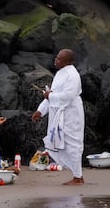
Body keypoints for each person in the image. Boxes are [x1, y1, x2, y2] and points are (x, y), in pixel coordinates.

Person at [31, 49, 85, 185]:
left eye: (59, 59)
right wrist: (40, 111)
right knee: (59, 141)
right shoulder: (60, 73)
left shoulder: (73, 75)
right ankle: (75, 175)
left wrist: (50, 96)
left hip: (71, 114)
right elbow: (52, 94)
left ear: (67, 62)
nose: (56, 60)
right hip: (59, 115)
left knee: (73, 143)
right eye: (56, 58)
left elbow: (68, 95)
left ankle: (78, 177)